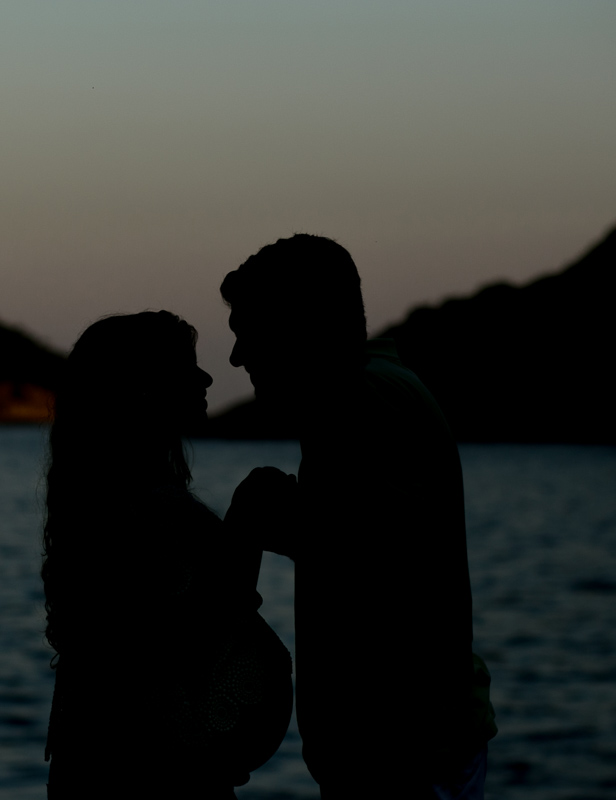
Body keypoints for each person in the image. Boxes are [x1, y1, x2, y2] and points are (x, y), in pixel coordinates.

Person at [221, 235, 497, 799]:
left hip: (405, 759)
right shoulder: (365, 393)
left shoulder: (363, 397)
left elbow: (380, 564)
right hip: (407, 753)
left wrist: (278, 521)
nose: (237, 357)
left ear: (297, 324)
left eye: (247, 331)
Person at [41, 311, 293, 799]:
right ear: (141, 388)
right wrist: (245, 528)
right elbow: (190, 638)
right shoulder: (135, 511)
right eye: (186, 367)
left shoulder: (110, 500)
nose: (206, 378)